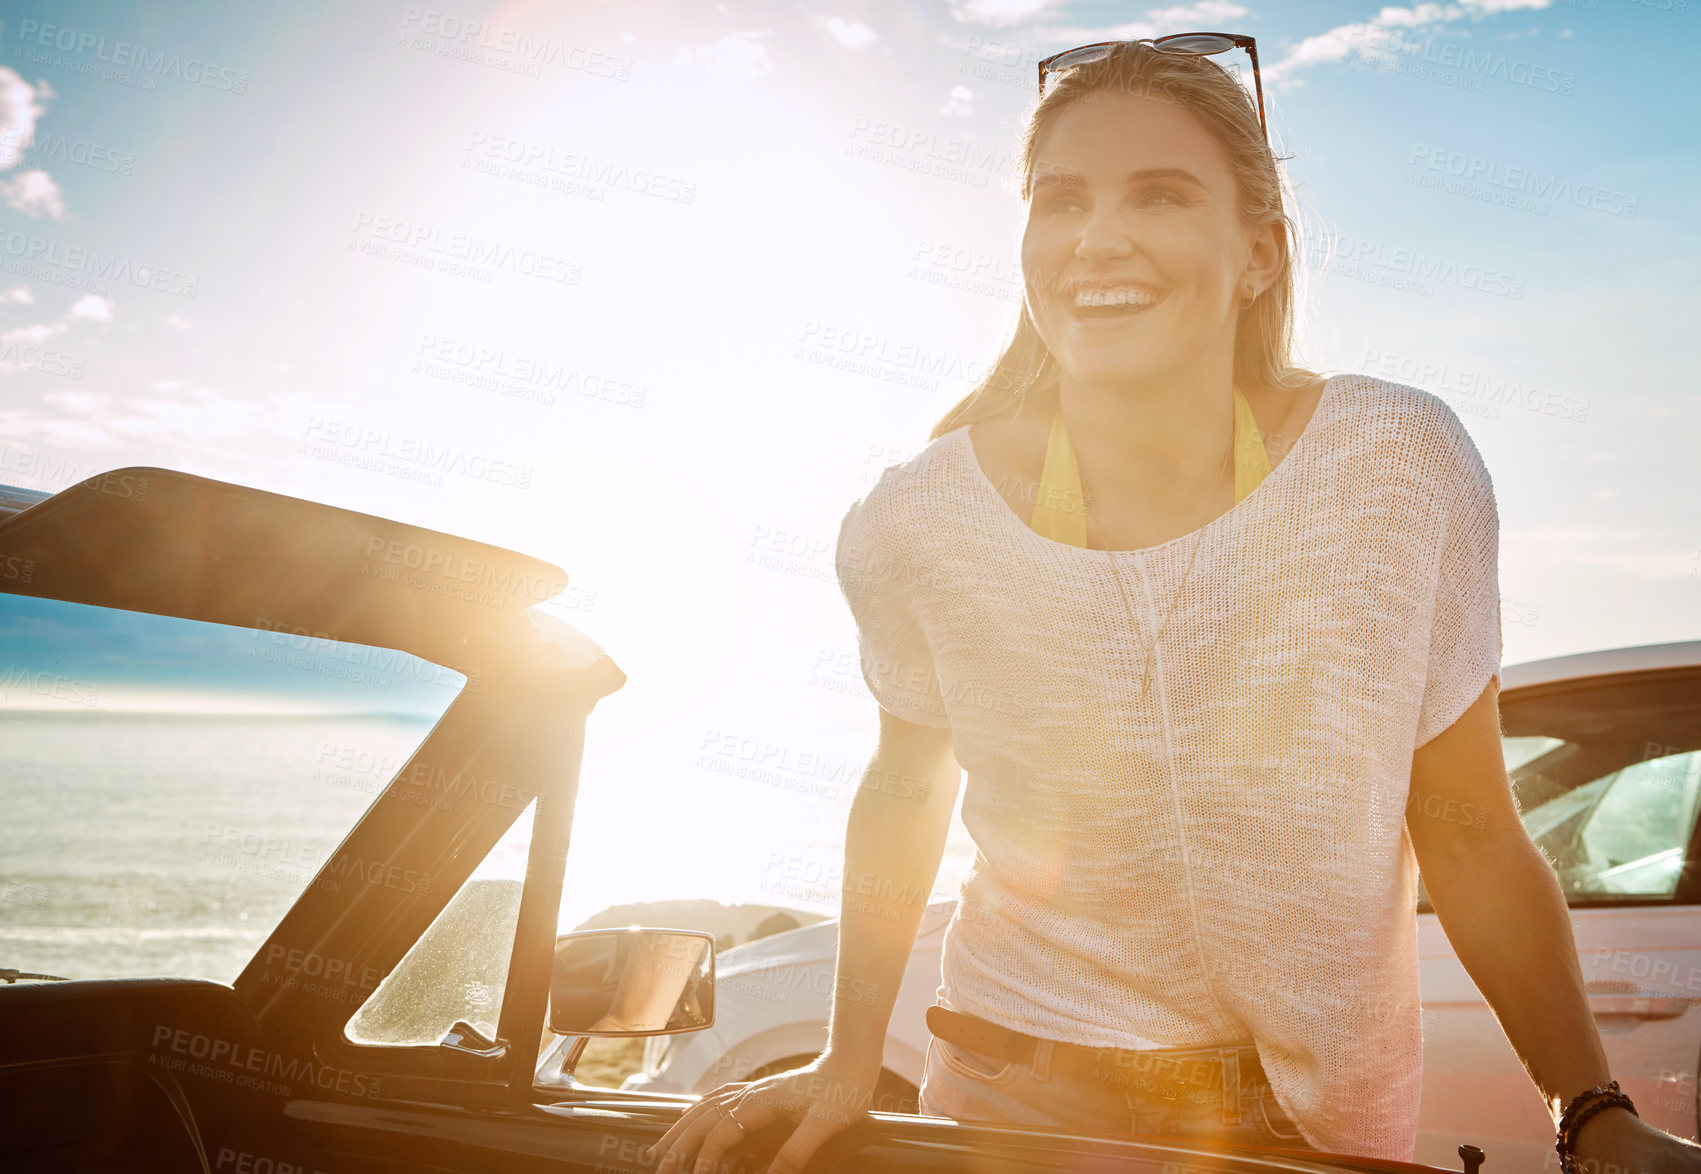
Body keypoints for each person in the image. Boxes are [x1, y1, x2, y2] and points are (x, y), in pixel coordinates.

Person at [645, 37, 1701, 1174]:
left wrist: (1592, 1110)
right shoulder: (919, 520)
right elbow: (905, 786)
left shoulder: (1397, 468)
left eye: (1159, 193)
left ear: (1258, 252)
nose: (1099, 237)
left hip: (1313, 1130)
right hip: (1019, 1104)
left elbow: (1472, 829)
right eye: (1063, 201)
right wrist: (846, 1059)